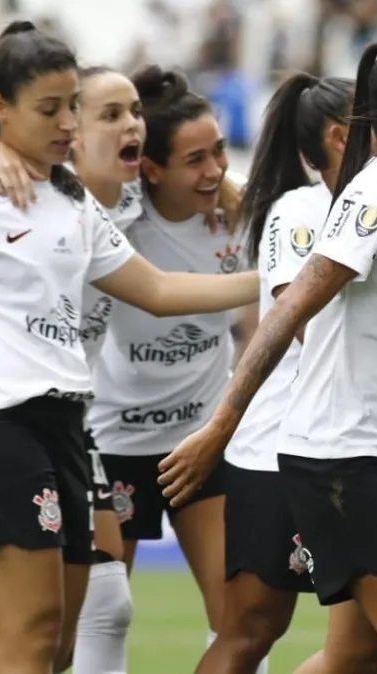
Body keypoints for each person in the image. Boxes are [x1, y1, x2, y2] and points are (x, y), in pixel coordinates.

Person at [0, 21, 258, 674]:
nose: (70, 122)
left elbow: (154, 287)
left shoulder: (79, 202)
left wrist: (290, 283)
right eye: (56, 109)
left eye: (74, 106)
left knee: (66, 633)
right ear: (2, 109)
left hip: (69, 427)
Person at [158, 38, 377, 673]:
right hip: (339, 450)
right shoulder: (376, 195)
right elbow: (289, 310)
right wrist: (219, 430)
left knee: (361, 649)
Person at [85, 63, 246, 664]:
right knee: (97, 621)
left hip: (201, 441)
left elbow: (263, 330)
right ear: (149, 168)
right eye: (195, 160)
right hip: (116, 441)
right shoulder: (114, 215)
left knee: (239, 623)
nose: (216, 171)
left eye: (220, 152)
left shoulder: (241, 213)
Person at [195, 71, 353, 673]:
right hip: (281, 448)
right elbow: (303, 319)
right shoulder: (299, 211)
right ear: (341, 138)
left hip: (365, 445)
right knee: (253, 629)